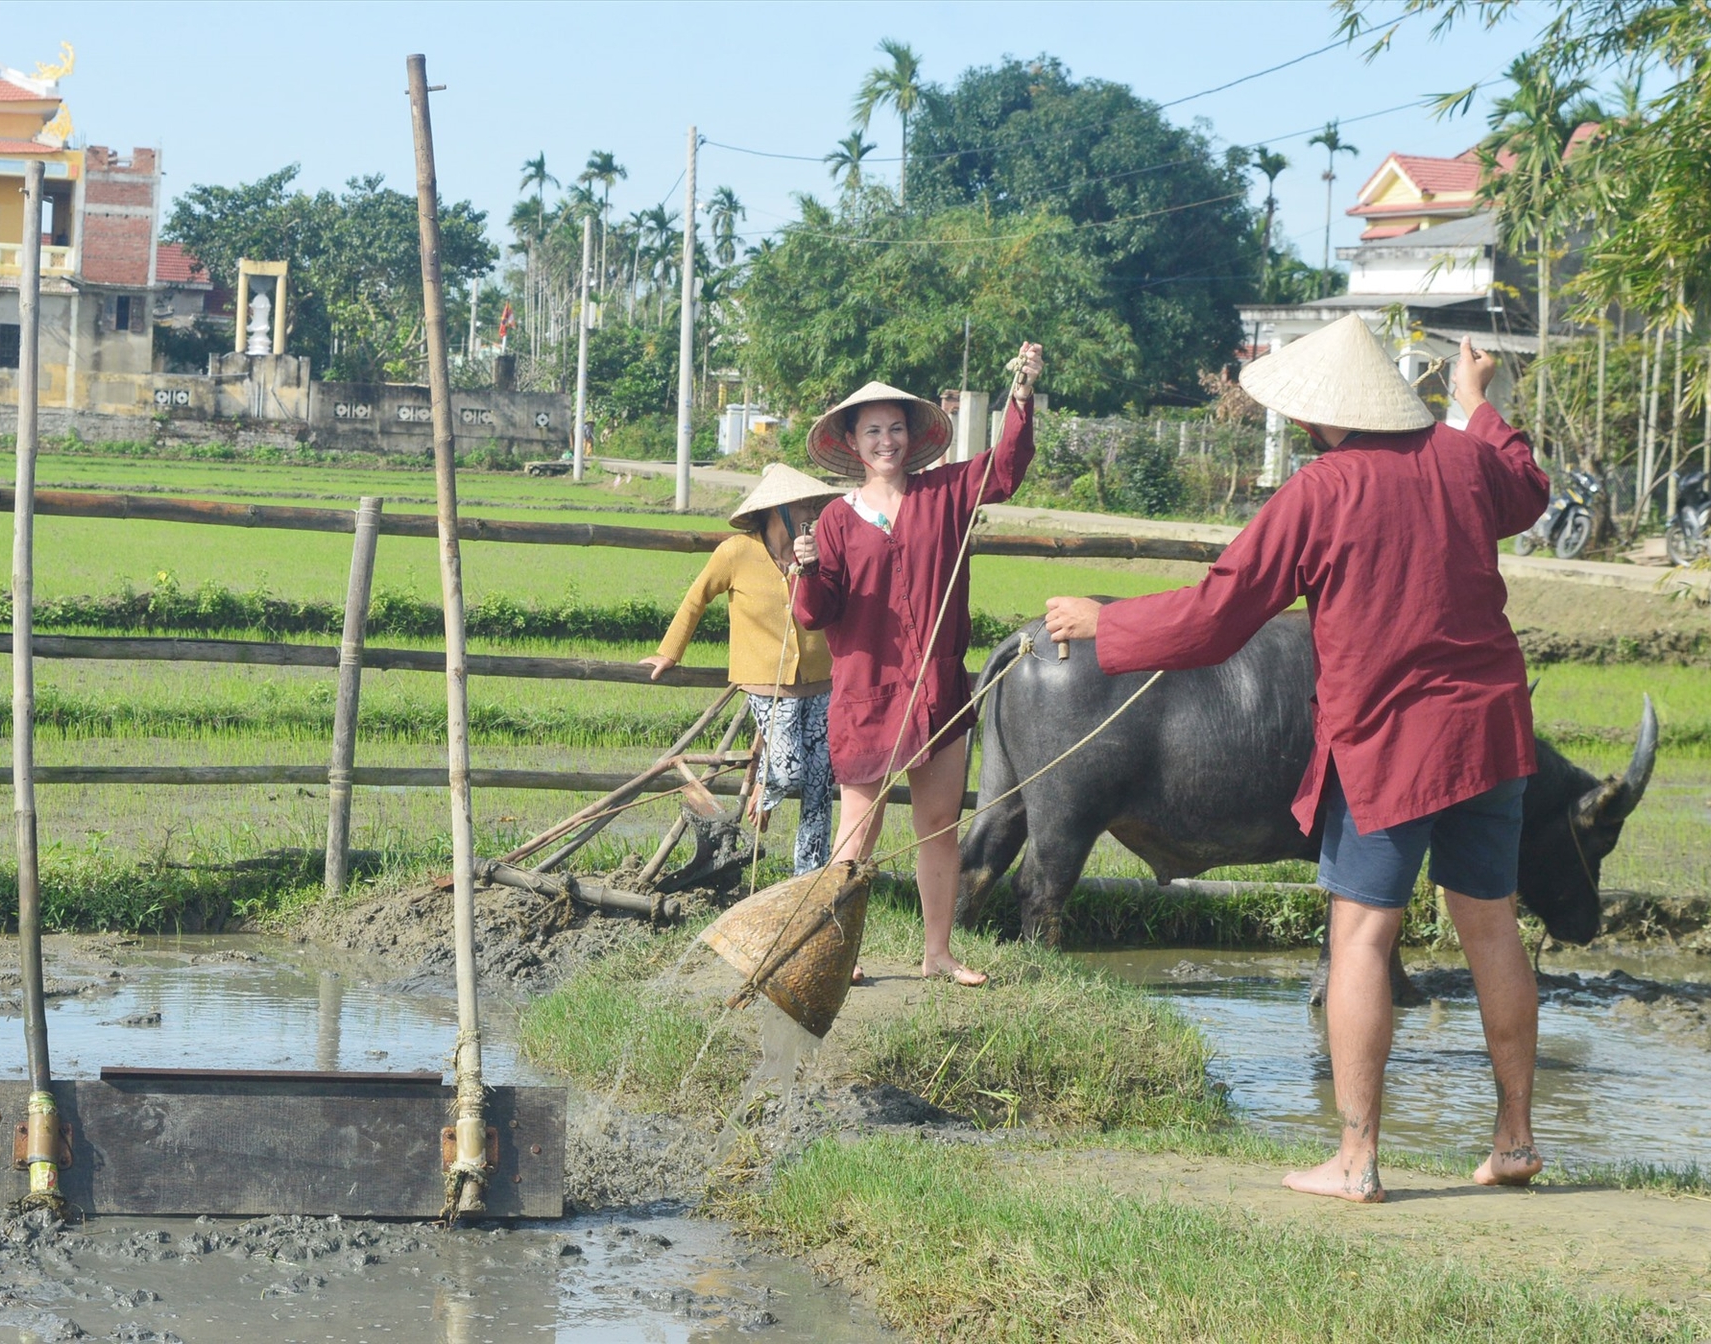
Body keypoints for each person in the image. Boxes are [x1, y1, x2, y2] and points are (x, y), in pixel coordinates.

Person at [1043, 317, 1548, 1202]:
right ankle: (1514, 1140)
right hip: (1490, 733)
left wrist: (1104, 622)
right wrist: (1478, 405)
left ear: (1318, 418)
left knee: (1361, 937)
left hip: (1391, 741)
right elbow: (1528, 487)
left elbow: (1216, 616)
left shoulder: (1325, 490)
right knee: (1493, 930)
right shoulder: (1466, 459)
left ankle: (1356, 1159)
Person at [792, 344, 1045, 986]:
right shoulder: (834, 521)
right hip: (866, 694)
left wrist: (1020, 396)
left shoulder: (946, 494)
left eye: (896, 428)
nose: (886, 440)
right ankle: (839, 955)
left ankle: (938, 953)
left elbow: (1007, 469)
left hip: (939, 689)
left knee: (938, 823)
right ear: (852, 441)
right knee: (859, 832)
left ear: (913, 435)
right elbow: (814, 613)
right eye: (872, 429)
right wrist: (805, 569)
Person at [642, 465, 840, 875]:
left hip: (823, 682)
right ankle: (765, 787)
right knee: (788, 773)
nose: (811, 511)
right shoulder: (737, 552)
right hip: (768, 686)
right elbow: (697, 598)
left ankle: (809, 878)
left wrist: (818, 565)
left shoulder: (820, 550)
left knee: (821, 786)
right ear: (777, 510)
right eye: (802, 503)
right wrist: (669, 653)